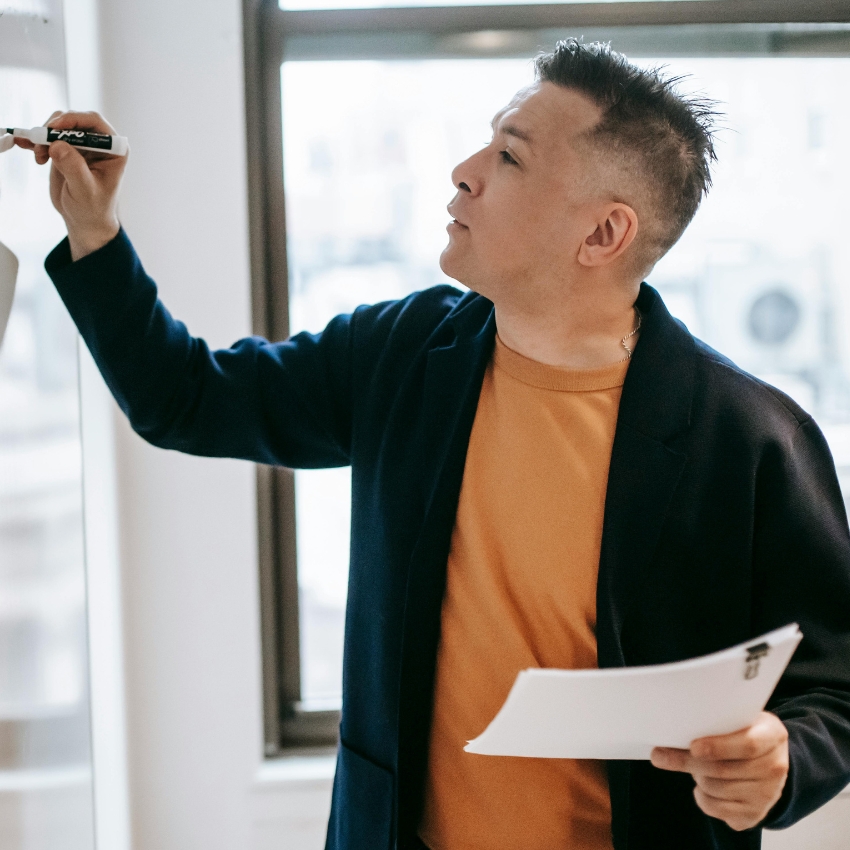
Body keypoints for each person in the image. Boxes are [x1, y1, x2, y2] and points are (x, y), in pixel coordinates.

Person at [18, 39, 850, 850]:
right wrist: (95, 230)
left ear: (602, 235)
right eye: (488, 140)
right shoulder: (404, 354)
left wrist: (784, 762)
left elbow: (835, 686)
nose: (466, 169)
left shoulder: (750, 436)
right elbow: (185, 398)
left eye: (512, 158)